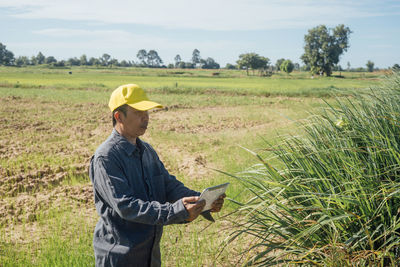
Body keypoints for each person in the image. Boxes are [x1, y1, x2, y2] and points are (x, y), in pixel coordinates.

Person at [89, 84, 225, 267]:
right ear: (118, 116)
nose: (145, 117)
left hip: (149, 255)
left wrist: (202, 202)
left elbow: (168, 185)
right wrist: (176, 212)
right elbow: (127, 206)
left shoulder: (146, 151)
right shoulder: (106, 158)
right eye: (138, 112)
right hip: (120, 256)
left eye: (147, 112)